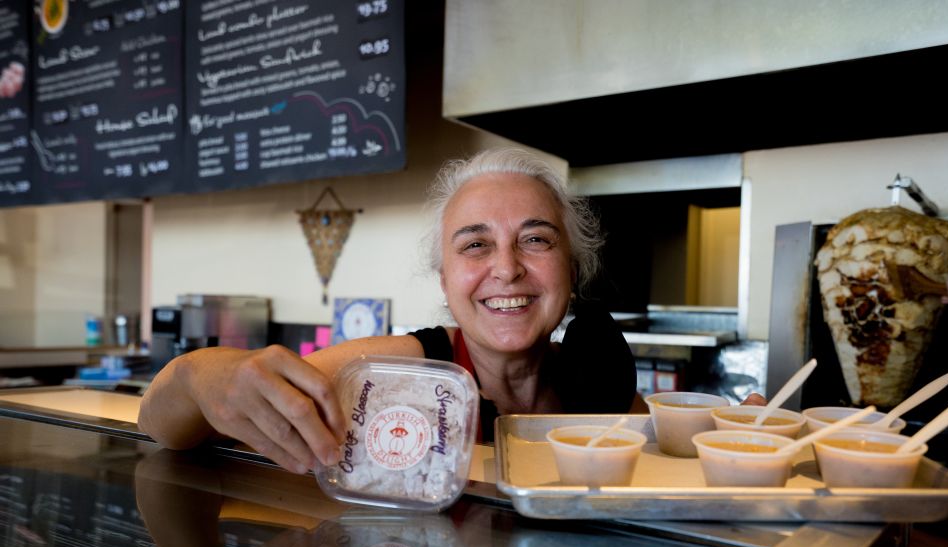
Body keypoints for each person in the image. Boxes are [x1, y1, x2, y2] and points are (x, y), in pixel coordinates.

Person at [139, 148, 761, 474]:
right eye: (475, 245)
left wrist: (738, 437)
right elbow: (160, 422)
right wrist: (198, 375)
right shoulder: (394, 372)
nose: (508, 267)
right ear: (446, 277)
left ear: (571, 269)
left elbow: (665, 455)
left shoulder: (596, 382)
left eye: (537, 239)